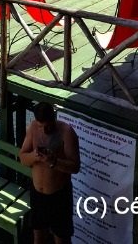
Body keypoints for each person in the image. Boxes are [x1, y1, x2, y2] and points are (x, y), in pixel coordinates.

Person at [19, 102, 81, 244]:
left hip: (59, 196)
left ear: (54, 118)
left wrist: (54, 161)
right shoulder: (33, 128)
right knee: (38, 236)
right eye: (41, 126)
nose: (45, 129)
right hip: (37, 194)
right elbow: (22, 157)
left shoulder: (67, 132)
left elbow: (75, 167)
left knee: (61, 238)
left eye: (48, 126)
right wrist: (34, 156)